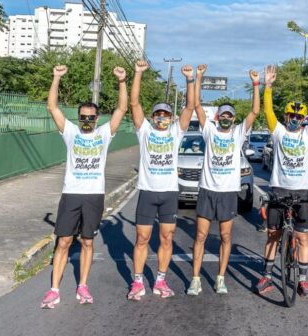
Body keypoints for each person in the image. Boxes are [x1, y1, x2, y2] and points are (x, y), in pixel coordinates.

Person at [41, 65, 128, 309]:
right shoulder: (70, 131)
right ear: (79, 117)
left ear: (96, 119)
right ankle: (54, 290)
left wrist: (122, 81)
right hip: (71, 194)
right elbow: (52, 107)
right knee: (64, 242)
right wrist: (56, 77)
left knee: (87, 241)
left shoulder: (103, 134)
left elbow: (121, 109)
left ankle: (83, 285)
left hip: (94, 196)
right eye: (84, 117)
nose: (87, 120)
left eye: (91, 117)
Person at [255, 65, 308, 298]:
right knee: (273, 234)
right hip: (279, 189)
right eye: (291, 116)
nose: (295, 119)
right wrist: (268, 87)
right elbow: (267, 111)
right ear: (286, 117)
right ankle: (267, 276)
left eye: (299, 117)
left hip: (301, 192)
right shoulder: (279, 131)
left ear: (304, 119)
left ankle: (302, 280)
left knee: (303, 237)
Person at [187, 64, 260, 295]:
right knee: (200, 236)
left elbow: (255, 112)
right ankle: (195, 279)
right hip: (208, 190)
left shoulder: (239, 133)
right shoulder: (209, 131)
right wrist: (198, 77)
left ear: (233, 118)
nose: (226, 118)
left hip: (228, 192)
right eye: (223, 115)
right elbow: (197, 106)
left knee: (226, 236)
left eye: (230, 115)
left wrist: (256, 84)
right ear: (218, 117)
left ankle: (220, 278)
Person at [127, 60, 195, 301]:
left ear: (170, 117)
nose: (162, 118)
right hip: (147, 192)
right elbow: (134, 103)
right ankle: (137, 282)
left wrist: (189, 79)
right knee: (142, 238)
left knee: (167, 238)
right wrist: (138, 73)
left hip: (168, 193)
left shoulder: (176, 132)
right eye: (158, 114)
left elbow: (189, 107)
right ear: (152, 116)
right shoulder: (145, 130)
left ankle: (161, 280)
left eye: (166, 114)